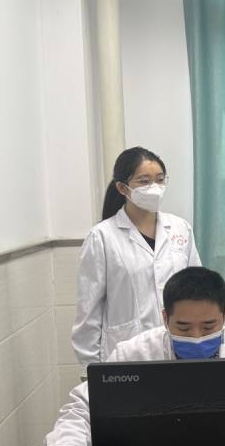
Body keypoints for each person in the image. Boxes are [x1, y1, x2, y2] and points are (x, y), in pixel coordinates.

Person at [46, 267, 225, 446]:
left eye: (209, 327)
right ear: (165, 318)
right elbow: (82, 409)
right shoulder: (132, 354)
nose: (196, 337)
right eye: (183, 328)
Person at [72, 147, 201, 366]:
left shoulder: (180, 228)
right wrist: (90, 370)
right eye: (144, 181)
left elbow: (197, 290)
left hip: (179, 349)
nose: (154, 187)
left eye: (159, 179)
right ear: (122, 188)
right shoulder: (102, 237)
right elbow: (89, 311)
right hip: (125, 355)